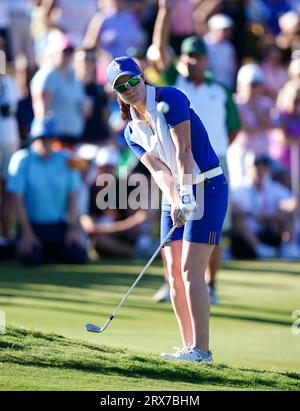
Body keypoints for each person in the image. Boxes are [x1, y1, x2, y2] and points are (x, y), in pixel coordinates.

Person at [106, 56, 228, 362]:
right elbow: (159, 171)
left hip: (207, 185)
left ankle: (202, 351)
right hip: (174, 192)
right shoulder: (131, 132)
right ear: (116, 92)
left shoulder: (170, 97)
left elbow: (184, 150)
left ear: (142, 77)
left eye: (132, 80)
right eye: (121, 86)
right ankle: (187, 347)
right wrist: (176, 200)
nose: (129, 88)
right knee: (173, 271)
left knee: (190, 269)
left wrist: (186, 194)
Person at [152, 0, 241, 305]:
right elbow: (160, 50)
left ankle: (211, 284)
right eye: (188, 56)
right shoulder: (172, 83)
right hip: (180, 164)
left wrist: (213, 150)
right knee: (174, 222)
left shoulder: (221, 90)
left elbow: (233, 126)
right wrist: (164, 12)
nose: (192, 61)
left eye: (197, 56)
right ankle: (170, 283)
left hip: (216, 164)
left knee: (213, 229)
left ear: (206, 60)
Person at [7, 116, 87, 265]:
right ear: (33, 139)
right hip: (32, 225)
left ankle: (51, 253)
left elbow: (73, 196)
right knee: (31, 259)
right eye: (41, 138)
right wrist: (26, 232)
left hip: (59, 225)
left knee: (79, 256)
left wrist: (73, 228)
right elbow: (16, 198)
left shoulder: (67, 158)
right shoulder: (21, 159)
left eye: (49, 138)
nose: (45, 142)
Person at [231, 152, 300, 260]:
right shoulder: (239, 189)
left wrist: (286, 207)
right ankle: (259, 249)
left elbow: (290, 202)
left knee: (287, 214)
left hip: (270, 233)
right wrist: (263, 216)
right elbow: (236, 211)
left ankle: (289, 247)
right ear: (247, 168)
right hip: (246, 240)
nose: (260, 169)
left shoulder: (273, 187)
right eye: (256, 166)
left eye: (263, 166)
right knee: (238, 220)